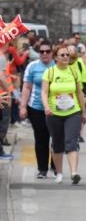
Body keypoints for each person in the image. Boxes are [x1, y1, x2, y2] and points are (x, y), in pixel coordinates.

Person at [41, 44, 86, 184]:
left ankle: (74, 173)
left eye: (67, 55)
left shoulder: (73, 72)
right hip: (54, 113)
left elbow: (79, 93)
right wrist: (46, 107)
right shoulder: (49, 72)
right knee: (57, 144)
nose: (66, 57)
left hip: (73, 112)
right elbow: (44, 92)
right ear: (55, 57)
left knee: (71, 142)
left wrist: (83, 112)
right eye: (62, 55)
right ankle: (59, 173)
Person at [19, 41, 55, 177]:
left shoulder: (58, 66)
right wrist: (23, 106)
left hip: (56, 108)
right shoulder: (32, 66)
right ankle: (42, 169)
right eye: (41, 52)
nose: (44, 54)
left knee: (57, 138)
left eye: (47, 51)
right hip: (36, 107)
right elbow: (26, 87)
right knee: (41, 138)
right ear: (38, 53)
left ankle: (55, 165)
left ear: (52, 53)